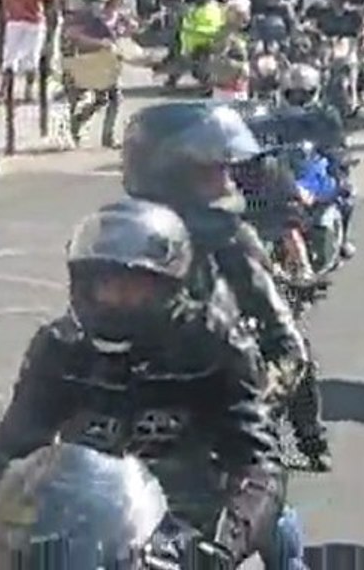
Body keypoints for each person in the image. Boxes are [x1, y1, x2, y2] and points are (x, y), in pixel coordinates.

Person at [0, 199, 297, 568]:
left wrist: (224, 545)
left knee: (282, 537)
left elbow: (258, 460)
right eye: (105, 284)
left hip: (190, 526)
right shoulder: (61, 347)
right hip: (89, 524)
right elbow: (7, 450)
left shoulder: (214, 344)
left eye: (133, 286)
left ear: (166, 286)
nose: (116, 299)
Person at [121, 103, 322, 468]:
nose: (229, 180)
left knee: (277, 523)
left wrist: (252, 398)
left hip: (219, 434)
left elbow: (288, 346)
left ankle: (312, 437)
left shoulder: (232, 240)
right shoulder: (120, 237)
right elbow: (81, 334)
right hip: (128, 433)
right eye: (213, 171)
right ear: (171, 173)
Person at [62, 0, 137, 147]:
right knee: (92, 98)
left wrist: (127, 31)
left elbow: (122, 33)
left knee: (112, 98)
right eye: (98, 2)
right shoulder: (84, 17)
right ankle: (76, 125)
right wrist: (98, 42)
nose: (102, 5)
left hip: (107, 63)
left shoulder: (116, 16)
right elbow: (72, 35)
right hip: (87, 62)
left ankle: (106, 137)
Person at [0, 0, 51, 105]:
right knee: (32, 57)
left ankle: (5, 88)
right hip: (34, 21)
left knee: (10, 56)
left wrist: (7, 14)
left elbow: (5, 0)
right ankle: (28, 91)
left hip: (14, 20)